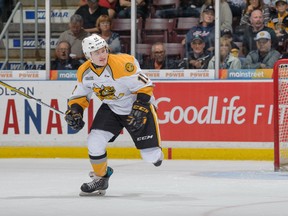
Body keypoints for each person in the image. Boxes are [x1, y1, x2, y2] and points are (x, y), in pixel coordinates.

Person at [64, 34, 163, 196]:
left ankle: (156, 155)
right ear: (88, 56)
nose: (102, 55)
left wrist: (141, 106)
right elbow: (80, 96)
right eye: (97, 53)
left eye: (103, 50)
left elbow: (145, 86)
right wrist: (75, 111)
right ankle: (101, 177)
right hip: (112, 107)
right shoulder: (84, 71)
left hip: (136, 105)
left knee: (152, 158)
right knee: (94, 141)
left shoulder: (122, 64)